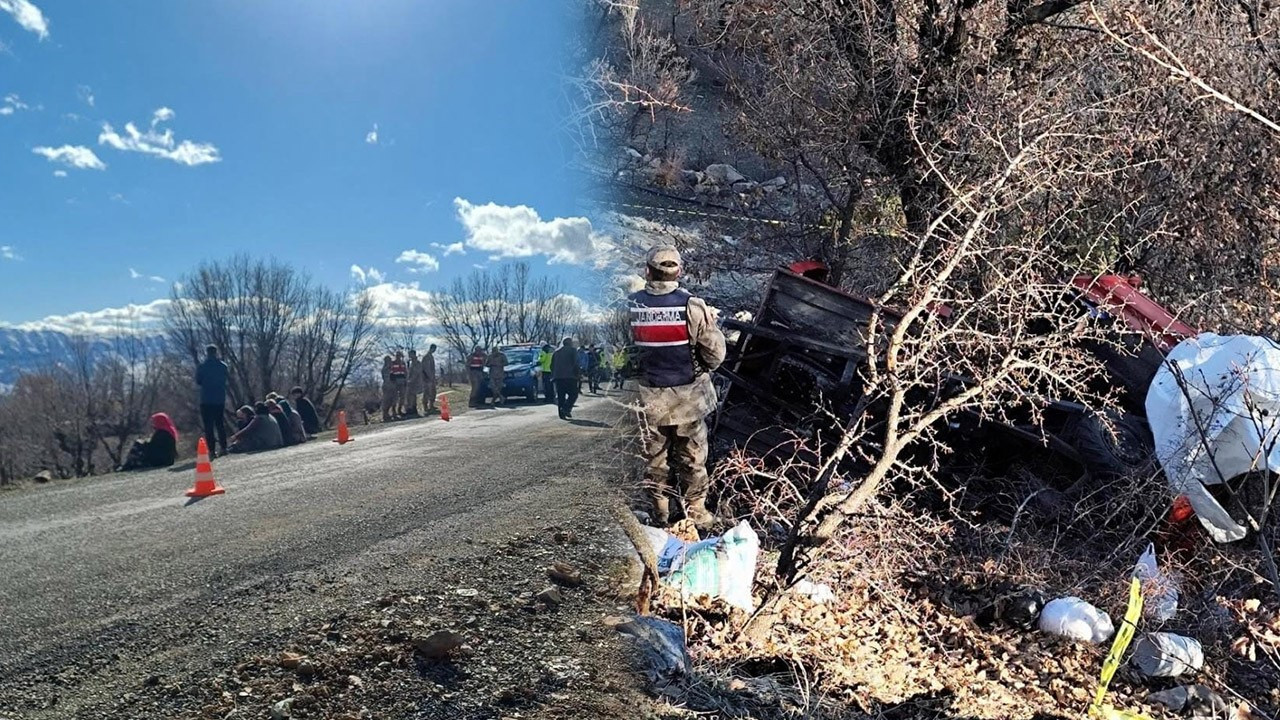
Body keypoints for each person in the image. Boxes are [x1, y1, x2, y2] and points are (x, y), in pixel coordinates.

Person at [630, 245, 726, 530]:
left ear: (647, 271)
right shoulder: (692, 307)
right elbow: (716, 355)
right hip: (688, 399)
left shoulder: (632, 306)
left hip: (648, 400)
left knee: (654, 461)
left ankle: (660, 514)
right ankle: (696, 513)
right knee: (693, 458)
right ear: (679, 272)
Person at [195, 345, 229, 457]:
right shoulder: (223, 366)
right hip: (220, 398)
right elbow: (226, 379)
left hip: (206, 399)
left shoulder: (202, 367)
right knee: (220, 424)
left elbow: (198, 381)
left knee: (208, 426)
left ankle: (211, 450)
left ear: (207, 353)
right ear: (216, 352)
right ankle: (224, 448)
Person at [551, 337, 581, 420]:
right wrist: (578, 374)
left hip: (558, 377)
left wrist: (554, 375)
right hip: (570, 376)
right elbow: (575, 363)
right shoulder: (573, 350)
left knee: (561, 396)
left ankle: (561, 414)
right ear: (570, 343)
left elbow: (552, 365)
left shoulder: (556, 352)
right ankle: (566, 408)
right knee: (573, 394)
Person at [390, 351, 409, 416]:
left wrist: (406, 380)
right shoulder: (392, 363)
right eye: (398, 356)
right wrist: (392, 381)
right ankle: (393, 411)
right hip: (395, 381)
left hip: (402, 381)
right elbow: (391, 373)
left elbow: (405, 372)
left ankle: (399, 409)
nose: (399, 357)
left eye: (400, 356)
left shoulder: (403, 363)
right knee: (395, 397)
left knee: (402, 397)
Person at [422, 344, 438, 413]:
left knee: (433, 392)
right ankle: (425, 406)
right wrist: (430, 377)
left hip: (432, 377)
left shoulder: (431, 356)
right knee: (427, 392)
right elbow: (426, 368)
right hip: (427, 378)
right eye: (434, 349)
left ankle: (431, 405)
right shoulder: (426, 357)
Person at [380, 355, 395, 421]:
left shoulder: (392, 368)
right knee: (386, 401)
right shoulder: (385, 369)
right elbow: (385, 377)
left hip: (392, 386)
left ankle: (389, 413)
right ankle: (385, 415)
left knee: (392, 401)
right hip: (386, 386)